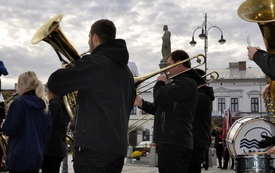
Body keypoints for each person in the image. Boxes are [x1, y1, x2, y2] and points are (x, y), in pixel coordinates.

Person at [47, 19, 136, 173]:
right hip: (117, 149)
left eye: (89, 38)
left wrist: (70, 67)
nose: (89, 43)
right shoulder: (127, 73)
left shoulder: (95, 63)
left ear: (94, 38)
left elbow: (54, 83)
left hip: (94, 149)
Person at [134, 50, 204, 173]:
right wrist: (142, 104)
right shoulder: (180, 83)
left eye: (169, 64)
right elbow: (161, 109)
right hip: (172, 141)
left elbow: (159, 97)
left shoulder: (185, 83)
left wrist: (160, 81)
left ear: (178, 64)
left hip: (174, 142)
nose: (168, 69)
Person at [1, 71, 52, 173]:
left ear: (21, 85)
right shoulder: (44, 106)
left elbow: (10, 129)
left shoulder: (18, 104)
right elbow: (48, 132)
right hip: (36, 156)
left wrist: (4, 124)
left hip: (19, 157)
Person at [188, 69, 215, 173]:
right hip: (194, 140)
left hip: (196, 141)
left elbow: (183, 110)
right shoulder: (201, 95)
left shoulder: (201, 96)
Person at [42, 87, 70, 173]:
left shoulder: (54, 105)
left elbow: (47, 125)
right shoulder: (64, 105)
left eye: (46, 91)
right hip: (59, 147)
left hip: (50, 148)